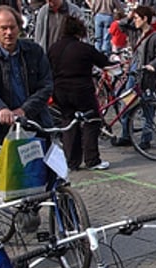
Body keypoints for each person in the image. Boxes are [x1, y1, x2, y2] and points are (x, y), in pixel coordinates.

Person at [0, 5, 54, 144]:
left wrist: (25, 110)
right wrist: (1, 109)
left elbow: (46, 85)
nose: (9, 32)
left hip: (35, 124)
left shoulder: (34, 51)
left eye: (12, 27)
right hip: (0, 130)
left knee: (39, 165)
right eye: (3, 28)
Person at [48, 16, 113, 171]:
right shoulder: (84, 48)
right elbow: (104, 62)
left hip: (60, 90)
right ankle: (92, 159)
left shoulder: (54, 48)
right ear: (79, 31)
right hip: (81, 90)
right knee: (92, 121)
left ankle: (71, 161)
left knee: (69, 122)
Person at [131, 5, 156, 151]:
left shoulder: (154, 37)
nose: (134, 21)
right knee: (127, 105)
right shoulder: (137, 33)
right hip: (134, 73)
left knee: (146, 107)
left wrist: (152, 65)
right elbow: (121, 25)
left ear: (144, 19)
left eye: (136, 18)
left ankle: (146, 138)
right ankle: (126, 135)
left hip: (146, 76)